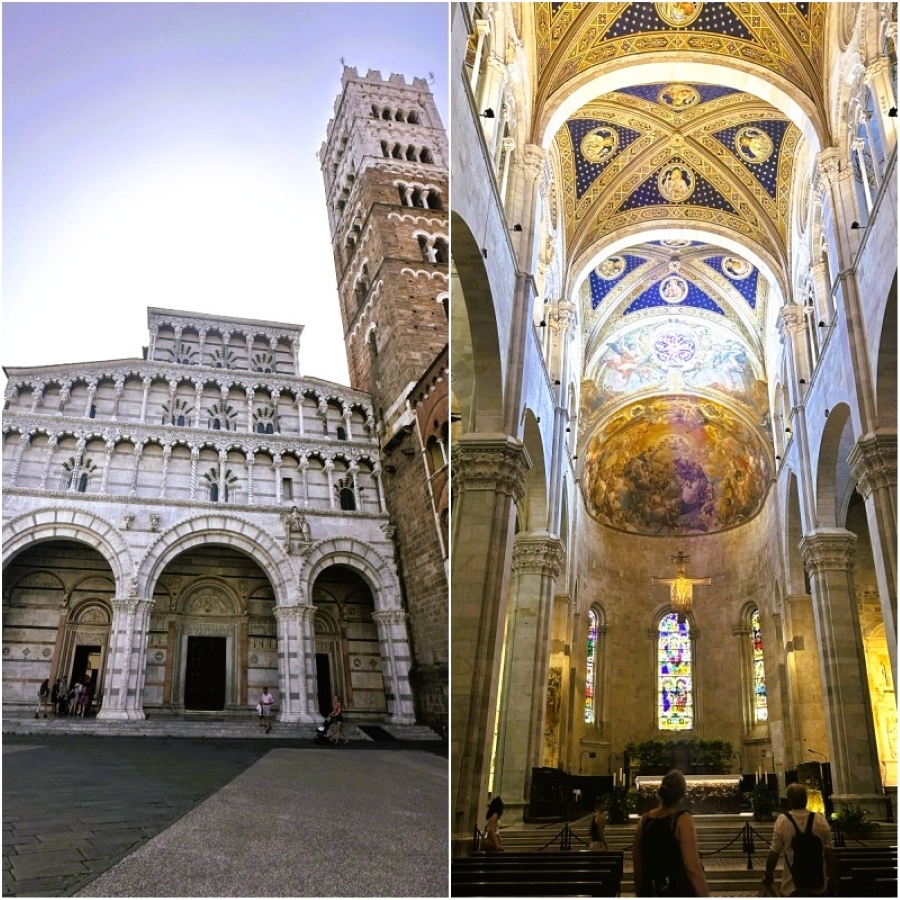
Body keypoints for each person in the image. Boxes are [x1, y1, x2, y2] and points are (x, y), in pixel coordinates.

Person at [633, 769, 709, 896]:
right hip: (677, 890)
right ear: (682, 794)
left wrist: (640, 893)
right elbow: (691, 866)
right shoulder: (682, 819)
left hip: (652, 889)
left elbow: (638, 864)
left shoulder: (644, 820)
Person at [762, 783, 837, 897]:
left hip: (792, 887)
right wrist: (832, 877)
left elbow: (773, 854)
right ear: (806, 799)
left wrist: (768, 876)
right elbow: (829, 853)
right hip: (818, 887)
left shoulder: (782, 821)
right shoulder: (819, 820)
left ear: (789, 800)